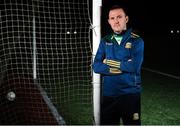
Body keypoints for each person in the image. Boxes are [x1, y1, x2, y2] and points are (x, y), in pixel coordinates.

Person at [93, 5, 144, 125]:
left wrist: (108, 62)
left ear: (126, 19)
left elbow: (134, 67)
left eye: (119, 17)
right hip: (109, 94)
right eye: (112, 18)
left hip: (130, 94)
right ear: (109, 21)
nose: (116, 21)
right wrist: (123, 65)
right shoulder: (106, 40)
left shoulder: (137, 40)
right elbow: (96, 66)